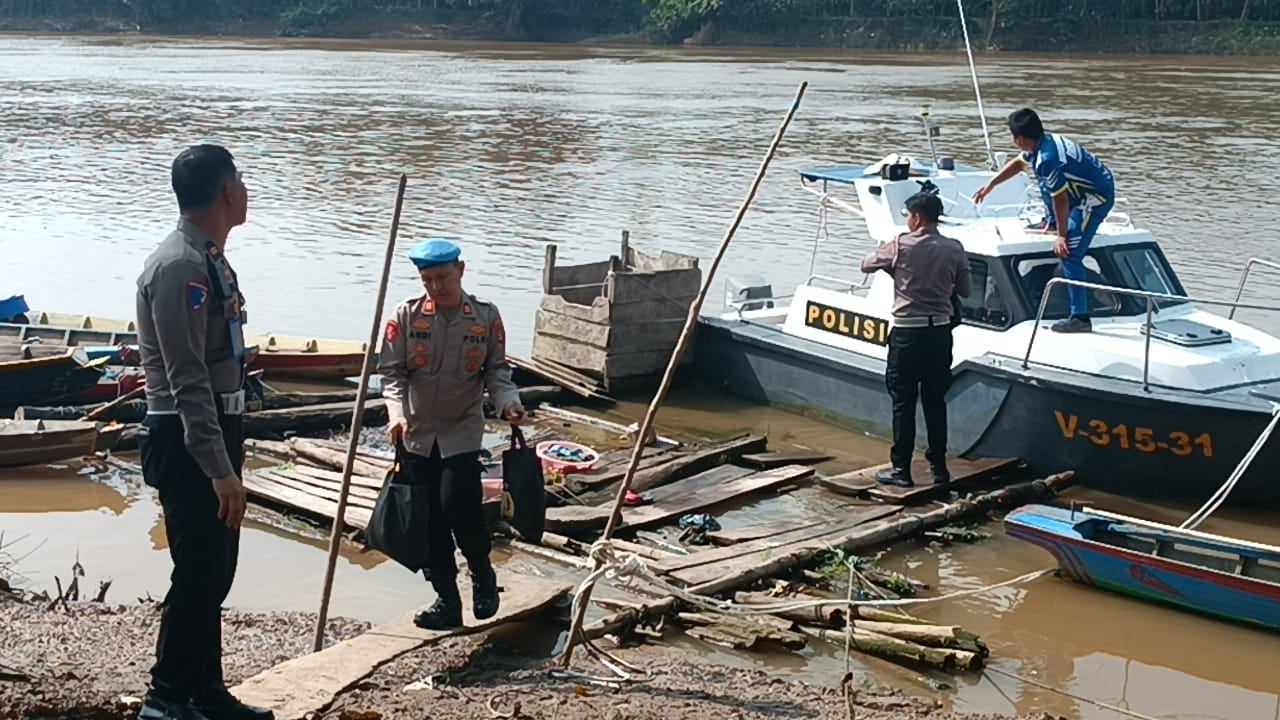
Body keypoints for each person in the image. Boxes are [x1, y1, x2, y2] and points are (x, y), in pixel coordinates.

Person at [135, 145, 273, 720]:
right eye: (240, 179)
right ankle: (166, 699)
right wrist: (219, 471)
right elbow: (188, 380)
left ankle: (205, 693)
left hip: (213, 425)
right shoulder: (180, 267)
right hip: (188, 434)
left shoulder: (209, 257)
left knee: (216, 568)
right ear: (225, 192)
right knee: (198, 572)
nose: (245, 189)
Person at [378, 238, 525, 630]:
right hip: (415, 433)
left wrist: (508, 401)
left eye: (442, 277)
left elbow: (496, 371)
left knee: (458, 505)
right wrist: (395, 414)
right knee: (427, 520)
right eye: (427, 280)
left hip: (461, 430)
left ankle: (482, 575)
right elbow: (392, 374)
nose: (436, 287)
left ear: (460, 270)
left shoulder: (485, 318)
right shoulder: (406, 317)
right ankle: (446, 599)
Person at [861, 192, 972, 488]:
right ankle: (939, 469)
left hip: (907, 334)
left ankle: (902, 470)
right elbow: (965, 290)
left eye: (908, 215)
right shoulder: (954, 248)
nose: (907, 221)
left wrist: (893, 264)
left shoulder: (900, 245)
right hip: (939, 334)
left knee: (903, 402)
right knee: (936, 401)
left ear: (917, 217)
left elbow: (866, 264)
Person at [973, 108, 1115, 333]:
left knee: (1070, 253)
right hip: (1078, 191)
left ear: (1019, 138)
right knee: (1047, 183)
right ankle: (1050, 221)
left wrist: (1062, 235)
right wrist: (992, 184)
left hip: (1094, 198)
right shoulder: (1043, 144)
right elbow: (1019, 164)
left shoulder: (1047, 159)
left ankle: (1081, 317)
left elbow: (1061, 200)